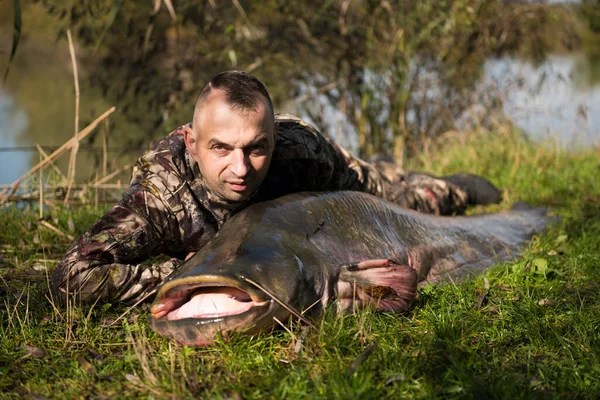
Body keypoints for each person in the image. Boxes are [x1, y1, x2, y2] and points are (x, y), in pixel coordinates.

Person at [50, 71, 501, 305]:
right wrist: (180, 278)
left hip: (330, 175)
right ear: (192, 142)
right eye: (221, 148)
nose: (240, 168)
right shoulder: (160, 195)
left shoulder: (298, 152)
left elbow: (370, 204)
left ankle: (450, 187)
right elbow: (71, 274)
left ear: (274, 139)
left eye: (255, 148)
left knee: (398, 197)